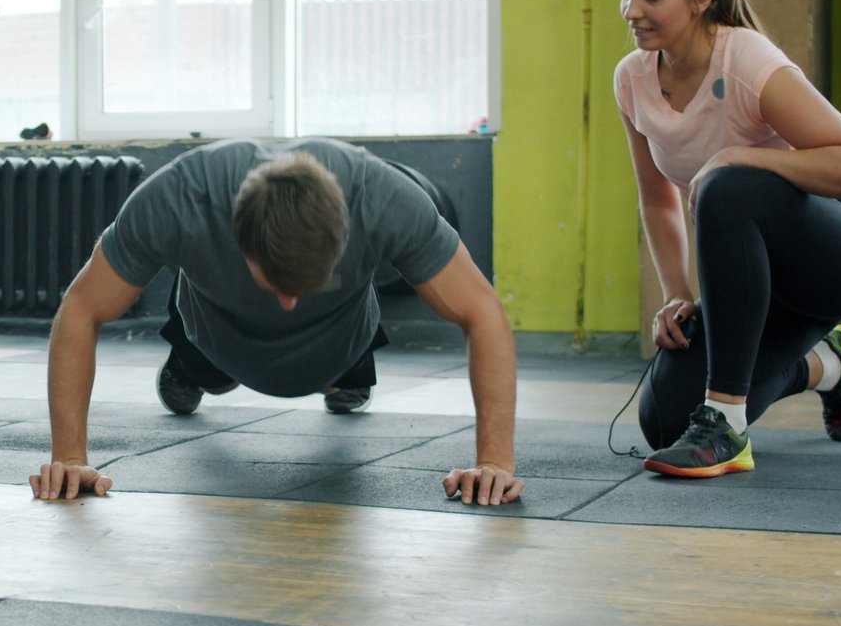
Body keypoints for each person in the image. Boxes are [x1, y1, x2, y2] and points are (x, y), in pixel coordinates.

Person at [28, 138, 523, 505]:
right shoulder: (179, 199)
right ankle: (189, 368)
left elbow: (482, 311)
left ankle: (342, 376)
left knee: (346, 388)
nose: (289, 303)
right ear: (237, 239)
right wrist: (70, 459)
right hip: (214, 335)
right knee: (202, 371)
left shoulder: (384, 199)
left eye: (303, 284)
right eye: (275, 284)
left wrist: (494, 462)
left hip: (339, 342)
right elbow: (82, 308)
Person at [615, 0, 841, 477]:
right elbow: (657, 199)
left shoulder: (745, 59)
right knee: (665, 422)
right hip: (757, 280)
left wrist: (742, 157)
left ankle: (726, 426)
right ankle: (828, 364)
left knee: (729, 184)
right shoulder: (634, 79)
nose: (631, 11)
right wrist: (676, 295)